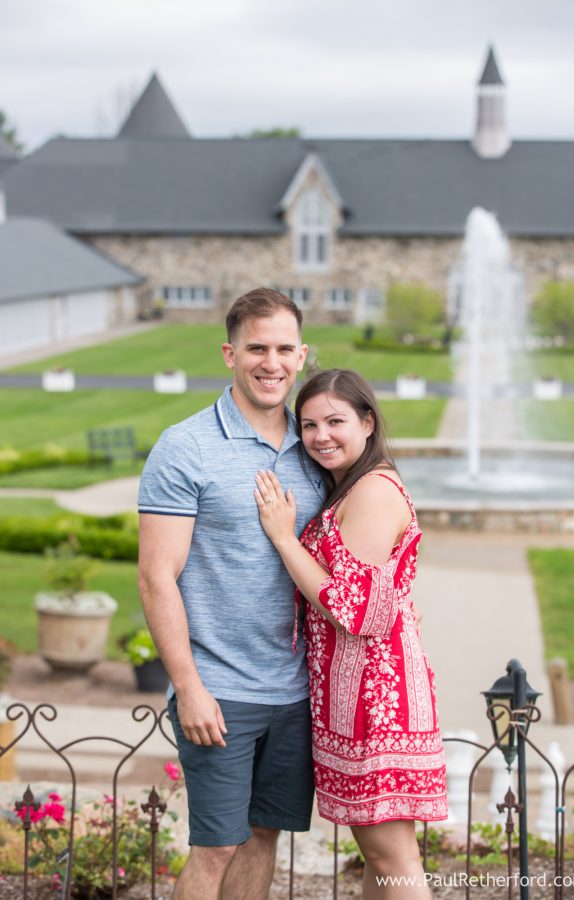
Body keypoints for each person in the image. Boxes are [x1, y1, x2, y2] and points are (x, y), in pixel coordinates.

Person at [137, 288, 325, 900]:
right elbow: (155, 575)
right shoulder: (185, 447)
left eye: (283, 349)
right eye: (256, 349)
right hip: (220, 690)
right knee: (217, 845)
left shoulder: (318, 449)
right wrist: (188, 687)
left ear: (303, 356)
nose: (271, 363)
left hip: (294, 687)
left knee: (264, 835)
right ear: (229, 353)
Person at [254, 369, 447, 899]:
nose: (321, 436)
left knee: (393, 855)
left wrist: (282, 537)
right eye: (310, 424)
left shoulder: (374, 491)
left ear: (367, 421)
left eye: (336, 421)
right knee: (379, 856)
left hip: (376, 700)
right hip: (355, 696)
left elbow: (358, 613)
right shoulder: (353, 487)